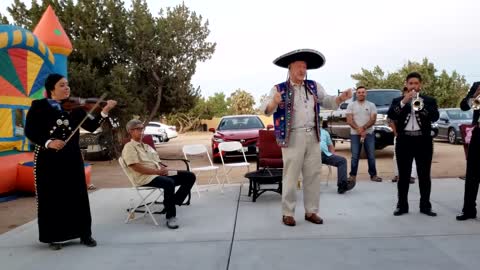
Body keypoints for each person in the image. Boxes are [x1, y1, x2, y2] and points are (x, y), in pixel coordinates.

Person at [24, 73, 117, 250]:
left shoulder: (75, 108)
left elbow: (91, 126)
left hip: (71, 157)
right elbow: (30, 130)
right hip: (48, 158)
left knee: (78, 194)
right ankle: (54, 236)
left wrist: (104, 111)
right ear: (51, 89)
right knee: (52, 196)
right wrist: (49, 142)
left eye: (67, 85)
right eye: (62, 85)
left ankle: (84, 234)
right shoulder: (38, 106)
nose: (67, 88)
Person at [261, 48, 352, 226]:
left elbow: (327, 101)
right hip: (292, 137)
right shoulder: (278, 88)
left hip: (314, 135)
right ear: (290, 68)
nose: (303, 70)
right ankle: (288, 212)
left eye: (304, 67)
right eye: (299, 67)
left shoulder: (313, 86)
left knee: (313, 174)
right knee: (291, 176)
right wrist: (274, 102)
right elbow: (266, 110)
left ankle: (311, 211)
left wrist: (341, 98)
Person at [121, 119, 196, 229]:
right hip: (144, 177)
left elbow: (158, 162)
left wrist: (165, 169)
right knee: (169, 183)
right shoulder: (129, 147)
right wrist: (157, 172)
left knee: (189, 176)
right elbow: (136, 167)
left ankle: (172, 202)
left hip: (159, 173)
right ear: (130, 131)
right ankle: (171, 216)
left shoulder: (147, 147)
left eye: (142, 129)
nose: (141, 131)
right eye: (138, 129)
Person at [387, 72, 439, 217]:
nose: (413, 86)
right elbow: (391, 115)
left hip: (423, 141)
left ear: (420, 85)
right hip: (404, 141)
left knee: (424, 175)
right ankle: (402, 205)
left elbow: (435, 116)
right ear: (406, 84)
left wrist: (420, 105)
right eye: (411, 84)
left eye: (416, 84)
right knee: (403, 176)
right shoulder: (398, 100)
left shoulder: (429, 100)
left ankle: (425, 206)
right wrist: (404, 101)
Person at [346, 86, 383, 182]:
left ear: (366, 94)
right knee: (355, 156)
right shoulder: (351, 105)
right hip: (355, 134)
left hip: (369, 133)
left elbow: (373, 119)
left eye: (363, 92)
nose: (361, 94)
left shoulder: (371, 105)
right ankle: (352, 176)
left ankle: (373, 175)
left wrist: (364, 128)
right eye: (359, 92)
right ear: (356, 94)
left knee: (371, 155)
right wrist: (359, 130)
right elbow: (349, 120)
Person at [456, 81, 480, 221]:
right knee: (472, 174)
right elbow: (464, 106)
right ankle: (469, 210)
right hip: (478, 132)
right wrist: (475, 96)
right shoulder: (477, 85)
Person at [390, 87, 417, 184]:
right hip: (400, 134)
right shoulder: (397, 103)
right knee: (397, 156)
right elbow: (391, 119)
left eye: (411, 92)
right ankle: (398, 175)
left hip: (414, 134)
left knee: (413, 156)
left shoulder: (417, 102)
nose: (409, 94)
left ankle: (411, 176)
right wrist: (396, 133)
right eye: (407, 93)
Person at [320, 121, 355, 194]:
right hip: (311, 156)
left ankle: (342, 186)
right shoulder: (308, 132)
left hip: (325, 155)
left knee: (342, 161)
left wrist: (333, 156)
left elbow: (330, 146)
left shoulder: (324, 132)